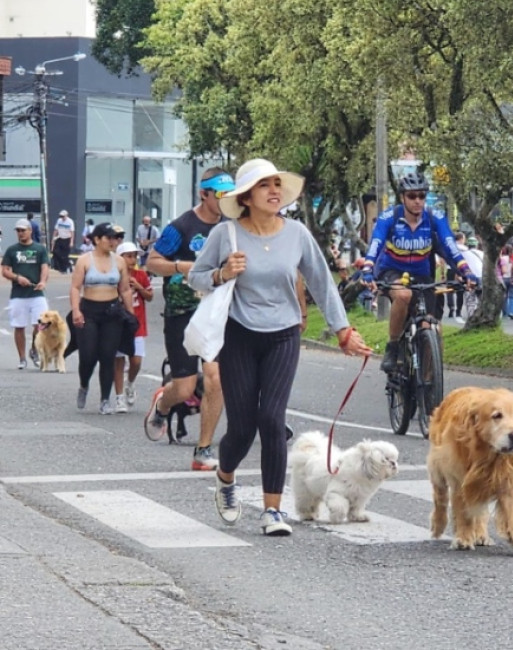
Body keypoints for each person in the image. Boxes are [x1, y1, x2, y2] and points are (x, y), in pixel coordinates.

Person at [189, 158, 371, 537]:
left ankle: (273, 510)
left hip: (284, 334)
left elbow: (321, 282)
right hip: (238, 334)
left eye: (276, 184)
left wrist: (343, 330)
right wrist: (222, 273)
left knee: (272, 420)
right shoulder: (226, 234)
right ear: (246, 197)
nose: (273, 191)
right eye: (263, 185)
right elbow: (195, 277)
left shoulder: (297, 233)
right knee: (241, 427)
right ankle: (225, 477)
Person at [145, 168, 233, 472]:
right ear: (204, 195)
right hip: (182, 310)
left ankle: (203, 450)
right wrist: (184, 267)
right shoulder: (181, 227)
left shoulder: (233, 225)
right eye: (220, 195)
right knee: (183, 389)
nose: (225, 201)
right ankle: (162, 404)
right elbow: (152, 261)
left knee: (215, 378)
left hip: (217, 312)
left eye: (230, 195)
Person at [360, 172, 479, 373]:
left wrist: (466, 271)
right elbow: (376, 244)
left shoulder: (435, 217)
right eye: (412, 196)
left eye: (422, 196)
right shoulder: (389, 217)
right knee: (404, 295)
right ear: (402, 197)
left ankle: (429, 382)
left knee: (432, 328)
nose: (418, 201)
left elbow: (450, 247)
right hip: (392, 270)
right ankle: (393, 346)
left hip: (422, 276)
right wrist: (367, 269)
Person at [69, 223, 135, 415]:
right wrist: (76, 310)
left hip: (112, 312)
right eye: (110, 238)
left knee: (108, 357)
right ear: (97, 239)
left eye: (117, 238)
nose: (114, 242)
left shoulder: (119, 262)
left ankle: (105, 399)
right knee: (88, 355)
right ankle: (84, 384)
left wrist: (130, 315)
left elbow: (124, 289)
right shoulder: (84, 260)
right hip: (89, 311)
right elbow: (75, 288)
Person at [2, 218, 50, 369]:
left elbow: (44, 267)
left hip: (36, 292)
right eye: (18, 231)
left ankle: (34, 349)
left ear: (30, 231)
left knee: (42, 324)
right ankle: (22, 358)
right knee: (19, 326)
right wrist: (17, 277)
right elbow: (5, 270)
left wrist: (43, 281)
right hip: (18, 294)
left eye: (23, 230)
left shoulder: (40, 249)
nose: (21, 233)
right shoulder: (12, 250)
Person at [113, 242, 152, 413]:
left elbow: (150, 296)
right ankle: (119, 398)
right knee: (119, 360)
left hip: (137, 324)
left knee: (136, 361)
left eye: (134, 256)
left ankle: (130, 383)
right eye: (128, 256)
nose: (132, 259)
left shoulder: (141, 275)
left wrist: (139, 287)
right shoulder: (113, 276)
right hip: (118, 324)